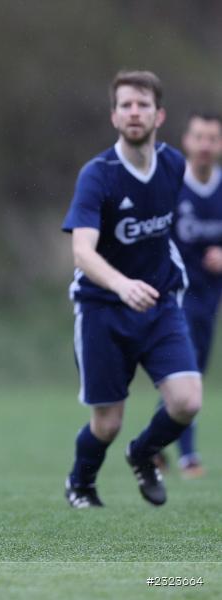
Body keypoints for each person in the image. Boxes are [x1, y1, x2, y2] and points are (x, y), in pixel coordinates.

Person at [61, 70, 202, 508]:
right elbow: (82, 252)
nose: (134, 112)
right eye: (126, 105)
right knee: (107, 423)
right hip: (103, 307)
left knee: (186, 402)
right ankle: (81, 483)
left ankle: (143, 454)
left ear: (159, 115)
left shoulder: (175, 165)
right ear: (114, 116)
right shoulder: (98, 175)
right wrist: (122, 285)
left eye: (142, 104)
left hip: (160, 304)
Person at [153, 112, 222, 478]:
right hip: (177, 296)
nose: (206, 145)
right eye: (200, 137)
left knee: (190, 374)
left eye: (213, 138)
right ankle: (188, 456)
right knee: (189, 372)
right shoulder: (172, 186)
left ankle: (154, 443)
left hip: (211, 299)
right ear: (187, 141)